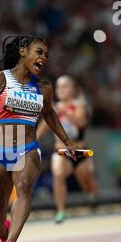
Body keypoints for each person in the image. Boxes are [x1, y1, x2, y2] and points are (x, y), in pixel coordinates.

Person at [0, 35, 78, 242]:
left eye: (46, 55)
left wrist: (67, 141)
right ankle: (3, 233)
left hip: (27, 148)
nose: (44, 58)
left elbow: (49, 114)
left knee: (25, 187)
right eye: (39, 52)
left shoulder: (44, 88)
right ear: (23, 51)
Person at [36, 75, 99, 223]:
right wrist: (35, 139)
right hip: (61, 151)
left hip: (80, 151)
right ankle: (61, 211)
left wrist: (65, 112)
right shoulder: (54, 109)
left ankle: (92, 192)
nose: (61, 90)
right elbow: (45, 125)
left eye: (65, 86)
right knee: (58, 174)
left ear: (73, 89)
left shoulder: (80, 105)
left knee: (87, 181)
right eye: (58, 87)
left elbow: (81, 122)